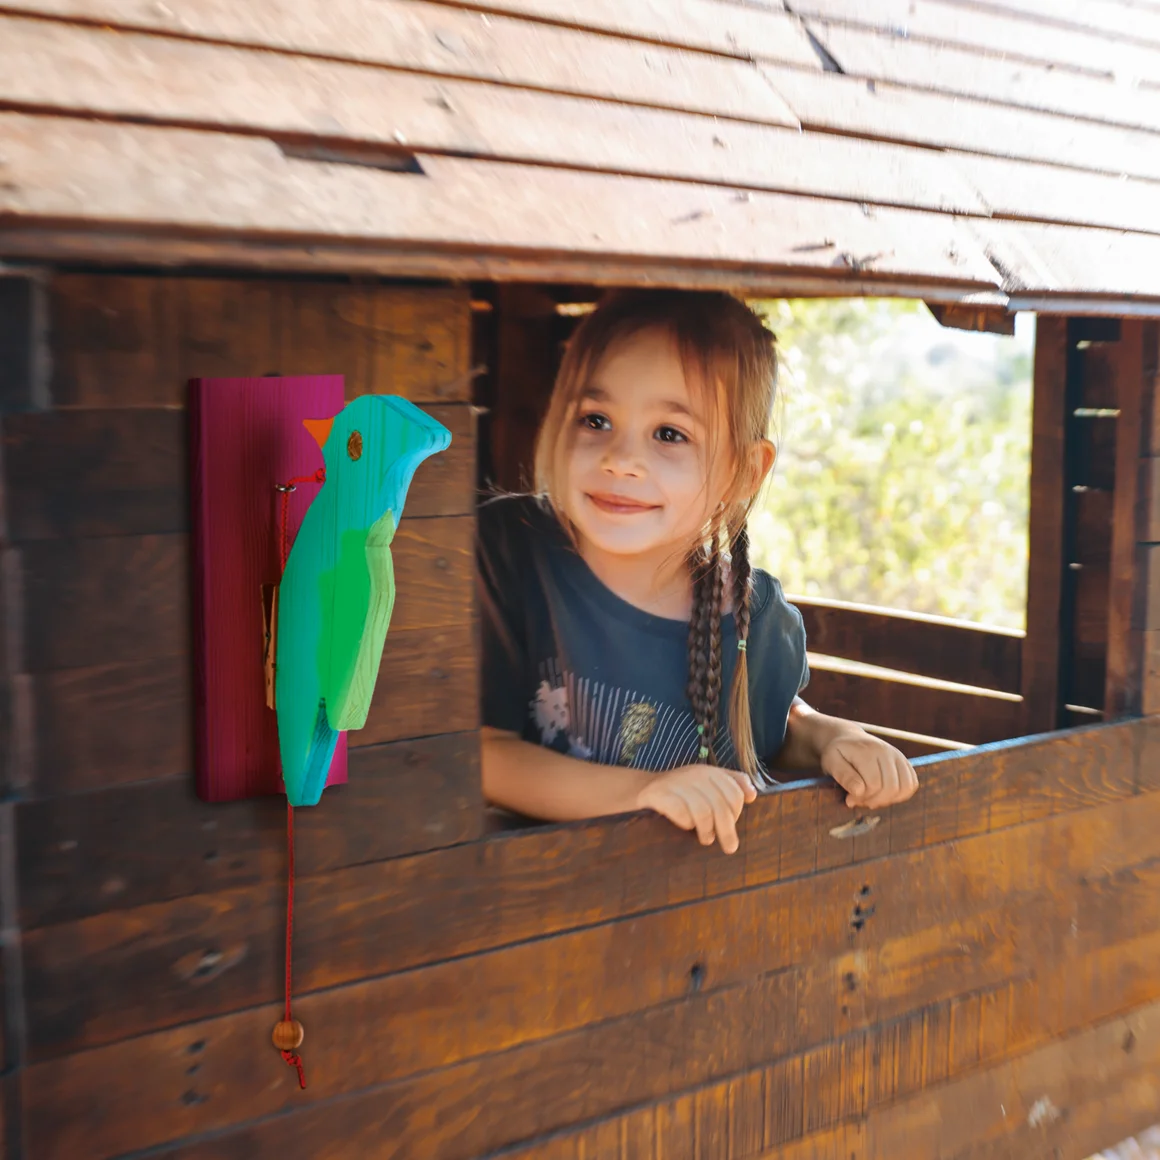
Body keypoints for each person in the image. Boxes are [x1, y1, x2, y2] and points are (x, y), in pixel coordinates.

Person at [477, 289, 918, 855]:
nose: (620, 459)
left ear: (743, 471)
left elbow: (775, 724)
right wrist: (645, 792)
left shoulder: (754, 617)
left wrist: (835, 738)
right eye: (596, 420)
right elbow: (481, 754)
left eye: (669, 434)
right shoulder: (509, 556)